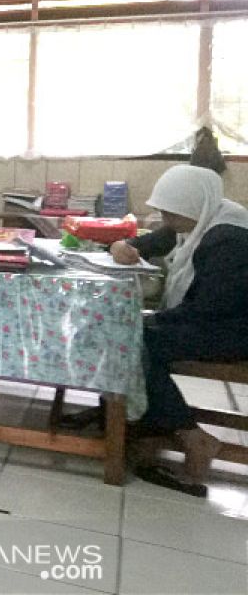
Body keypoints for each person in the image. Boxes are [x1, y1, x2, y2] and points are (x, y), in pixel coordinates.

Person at [109, 165, 248, 484]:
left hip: (233, 331)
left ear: (191, 206)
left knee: (134, 343)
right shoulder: (203, 218)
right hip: (213, 321)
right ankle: (147, 428)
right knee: (131, 337)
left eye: (171, 214)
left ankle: (188, 435)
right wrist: (121, 246)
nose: (166, 221)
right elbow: (151, 242)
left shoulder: (229, 240)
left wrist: (154, 318)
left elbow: (208, 310)